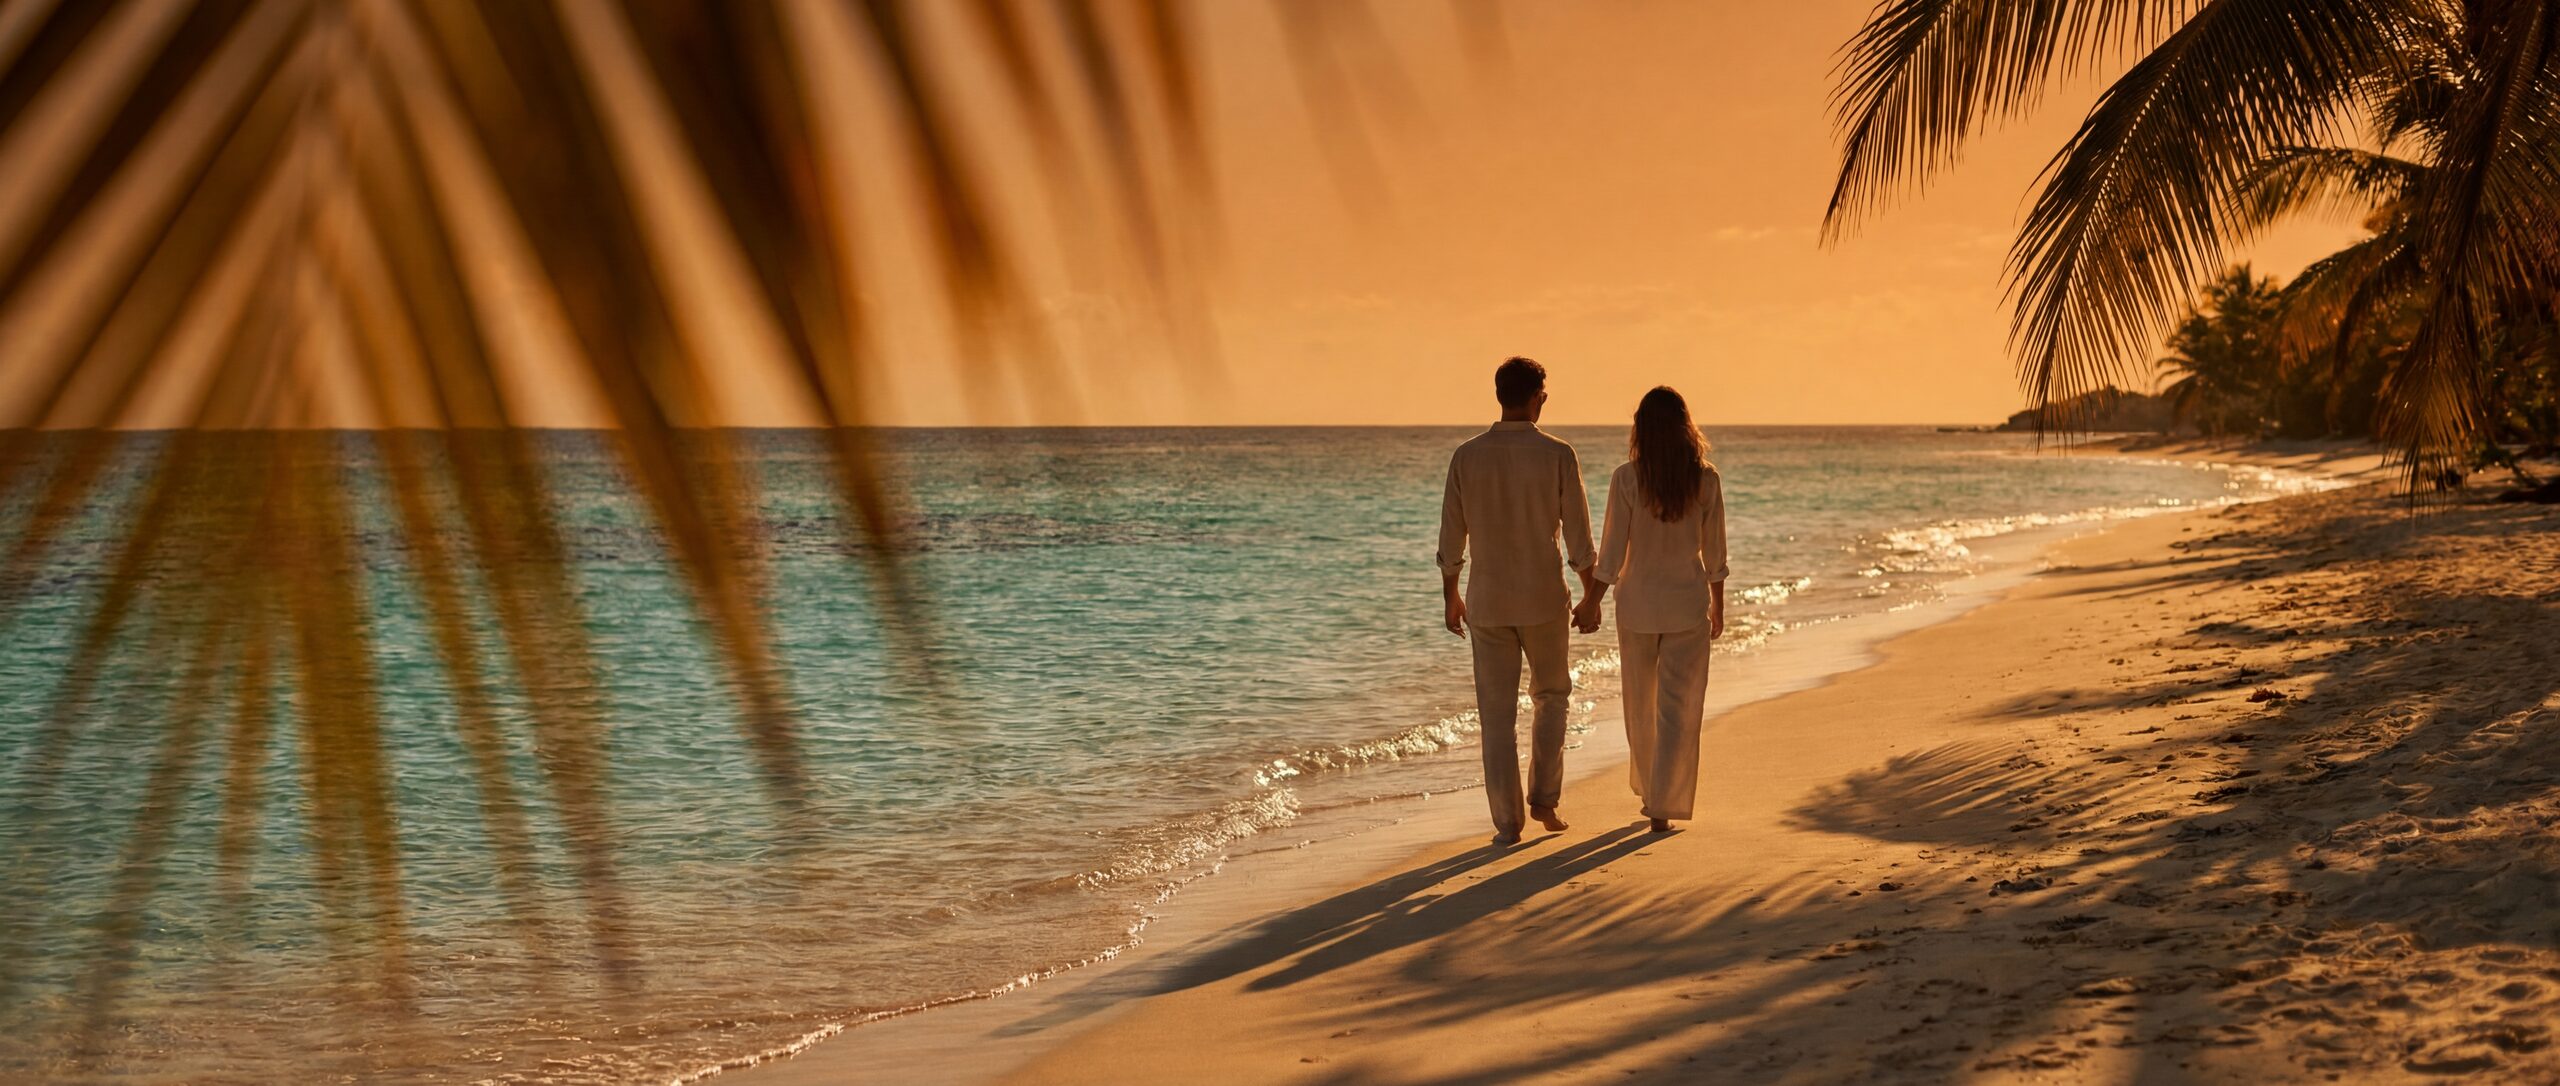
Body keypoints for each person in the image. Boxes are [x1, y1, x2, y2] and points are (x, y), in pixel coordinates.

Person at [1436, 356, 1601, 845]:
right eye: (1543, 395)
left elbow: (1451, 536)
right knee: (1551, 698)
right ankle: (1544, 800)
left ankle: (1508, 823)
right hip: (1543, 598)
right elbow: (1579, 537)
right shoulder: (1557, 454)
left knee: (1496, 714)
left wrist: (1451, 595)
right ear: (1536, 398)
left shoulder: (1467, 456)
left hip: (1487, 601)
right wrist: (1590, 595)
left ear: (1499, 395)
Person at [1573, 386, 1727, 833]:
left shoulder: (1626, 479)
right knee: (1681, 710)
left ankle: (1652, 792)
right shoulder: (1705, 479)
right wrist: (1718, 606)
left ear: (1640, 428)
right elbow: (1715, 553)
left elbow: (1611, 552)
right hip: (1686, 605)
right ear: (1685, 427)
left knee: (1640, 707)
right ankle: (1663, 802)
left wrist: (1592, 600)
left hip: (1637, 605)